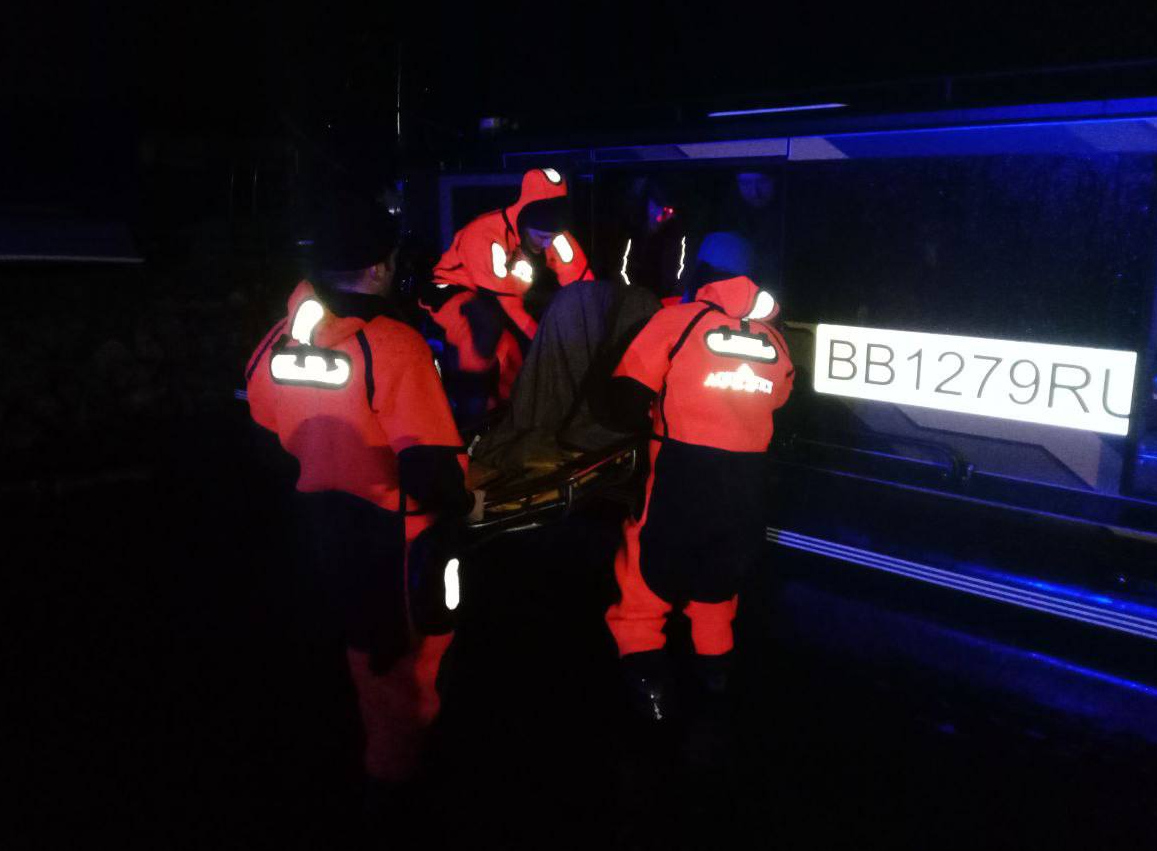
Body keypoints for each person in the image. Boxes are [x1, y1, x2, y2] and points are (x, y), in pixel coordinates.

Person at [244, 197, 481, 792]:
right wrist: (463, 502)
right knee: (403, 661)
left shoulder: (280, 338)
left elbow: (263, 424)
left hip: (318, 524)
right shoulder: (394, 344)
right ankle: (399, 780)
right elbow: (430, 467)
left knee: (344, 643)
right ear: (379, 267)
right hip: (394, 534)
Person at [601, 232, 794, 719]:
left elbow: (625, 397)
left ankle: (646, 677)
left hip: (680, 470)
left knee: (649, 566)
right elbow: (783, 398)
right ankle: (715, 669)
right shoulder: (773, 338)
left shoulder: (677, 320)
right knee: (720, 574)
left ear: (700, 272)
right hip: (747, 481)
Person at [421, 168, 592, 414]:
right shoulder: (485, 234)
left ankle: (509, 410)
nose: (548, 243)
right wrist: (546, 342)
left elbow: (583, 283)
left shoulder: (552, 234)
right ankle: (472, 408)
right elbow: (506, 304)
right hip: (451, 291)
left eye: (552, 237)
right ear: (525, 221)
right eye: (542, 236)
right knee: (483, 329)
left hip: (502, 295)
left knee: (512, 352)